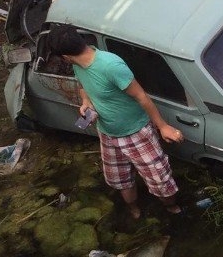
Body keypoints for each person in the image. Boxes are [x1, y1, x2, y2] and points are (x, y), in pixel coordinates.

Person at [47, 25, 184, 219]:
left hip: (137, 132)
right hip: (108, 132)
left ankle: (171, 207)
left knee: (159, 178)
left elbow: (141, 96)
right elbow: (83, 86)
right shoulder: (78, 66)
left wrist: (162, 126)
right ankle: (134, 209)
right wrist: (86, 102)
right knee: (119, 178)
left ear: (65, 57)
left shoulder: (111, 65)